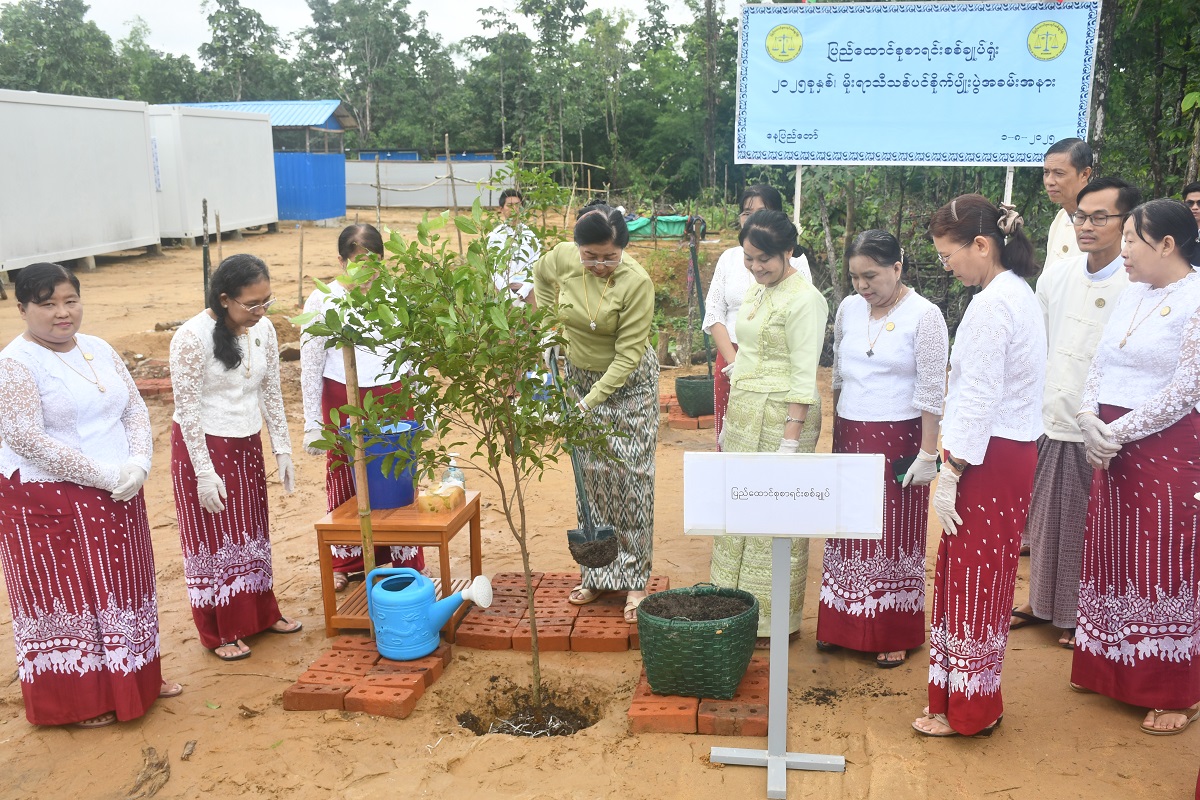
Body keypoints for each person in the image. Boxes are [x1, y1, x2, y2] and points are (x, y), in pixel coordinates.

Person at [0, 263, 181, 728]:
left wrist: (138, 463)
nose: (62, 313)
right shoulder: (15, 364)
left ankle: (138, 676)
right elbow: (24, 438)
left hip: (119, 487)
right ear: (21, 309)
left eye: (70, 301)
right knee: (75, 594)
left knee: (125, 584)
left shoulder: (98, 347)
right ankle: (83, 701)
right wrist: (105, 474)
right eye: (47, 304)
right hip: (49, 499)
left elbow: (134, 408)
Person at [913, 194, 1046, 737]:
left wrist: (952, 470)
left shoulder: (994, 304)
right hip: (1002, 450)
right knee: (976, 573)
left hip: (987, 454)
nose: (947, 266)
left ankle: (970, 707)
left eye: (948, 256)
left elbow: (979, 395)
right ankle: (965, 697)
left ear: (982, 245)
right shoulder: (1014, 293)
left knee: (973, 575)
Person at [1072, 198, 1200, 735]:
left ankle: (1174, 690)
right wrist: (1088, 417)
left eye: (1131, 239)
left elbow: (1187, 388)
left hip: (1166, 446)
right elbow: (1099, 361)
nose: (1121, 249)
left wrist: (1115, 432)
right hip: (1111, 443)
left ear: (1167, 245)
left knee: (1162, 559)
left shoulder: (1196, 297)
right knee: (1113, 550)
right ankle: (1108, 665)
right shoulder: (1132, 293)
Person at [1009, 178, 1139, 648]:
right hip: (1052, 413)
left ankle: (1079, 612)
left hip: (1104, 423)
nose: (1086, 225)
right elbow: (1038, 345)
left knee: (1090, 522)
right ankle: (1042, 602)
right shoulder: (1056, 276)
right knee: (1046, 519)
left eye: (1100, 217)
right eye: (1081, 216)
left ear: (1127, 223)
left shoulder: (1137, 283)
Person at [816, 230, 948, 668]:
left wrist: (928, 454)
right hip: (851, 432)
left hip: (900, 437)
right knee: (848, 527)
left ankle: (893, 629)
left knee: (892, 531)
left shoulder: (925, 316)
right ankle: (841, 623)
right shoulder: (849, 309)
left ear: (897, 267)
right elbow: (839, 374)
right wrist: (838, 431)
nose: (862, 286)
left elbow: (932, 390)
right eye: (855, 277)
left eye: (871, 276)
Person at [169, 254, 302, 662]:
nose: (261, 311)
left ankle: (261, 614)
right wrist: (203, 472)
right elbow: (188, 410)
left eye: (267, 301)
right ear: (225, 299)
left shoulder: (263, 329)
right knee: (215, 537)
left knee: (250, 530)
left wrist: (282, 447)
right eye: (252, 304)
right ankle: (220, 631)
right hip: (204, 445)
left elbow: (271, 390)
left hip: (246, 443)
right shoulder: (191, 338)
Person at [534, 203, 659, 624]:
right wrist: (551, 330)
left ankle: (635, 579)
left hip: (628, 387)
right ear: (577, 248)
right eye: (591, 256)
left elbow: (628, 356)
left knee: (632, 479)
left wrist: (590, 401)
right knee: (591, 477)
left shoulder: (636, 282)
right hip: (580, 378)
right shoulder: (563, 258)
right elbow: (541, 277)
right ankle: (598, 573)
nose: (600, 265)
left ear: (623, 248)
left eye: (610, 256)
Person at [709, 210, 827, 647]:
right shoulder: (759, 290)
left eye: (765, 259)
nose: (756, 267)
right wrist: (733, 412)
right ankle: (732, 608)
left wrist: (790, 440)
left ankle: (773, 623)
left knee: (774, 519)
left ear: (788, 251)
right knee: (738, 512)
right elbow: (749, 350)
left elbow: (804, 373)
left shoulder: (805, 299)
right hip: (746, 412)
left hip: (783, 418)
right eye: (749, 258)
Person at [300, 224, 423, 592]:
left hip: (393, 395)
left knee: (396, 469)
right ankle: (346, 560)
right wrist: (312, 422)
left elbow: (411, 352)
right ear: (341, 262)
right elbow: (310, 365)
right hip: (342, 395)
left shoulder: (396, 295)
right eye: (358, 265)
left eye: (375, 265)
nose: (367, 274)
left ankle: (403, 555)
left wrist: (424, 399)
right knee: (344, 470)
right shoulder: (322, 300)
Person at [702, 185, 812, 449]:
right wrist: (734, 360)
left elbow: (802, 323)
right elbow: (714, 310)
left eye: (761, 211)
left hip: (775, 362)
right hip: (730, 354)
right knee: (732, 436)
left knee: (769, 439)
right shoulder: (729, 258)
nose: (752, 218)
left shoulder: (796, 262)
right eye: (746, 212)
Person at [1028, 137, 1093, 555]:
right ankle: (1037, 533)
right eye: (1046, 173)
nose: (1050, 181)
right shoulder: (1058, 221)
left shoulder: (1103, 227)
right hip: (1053, 349)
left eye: (1059, 173)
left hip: (1085, 353)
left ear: (1085, 174)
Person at [487, 188, 540, 307]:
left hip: (527, 288)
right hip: (502, 289)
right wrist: (507, 295)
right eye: (509, 205)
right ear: (501, 209)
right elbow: (493, 269)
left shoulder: (530, 235)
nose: (514, 208)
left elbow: (535, 265)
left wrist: (523, 291)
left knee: (533, 317)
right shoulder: (495, 236)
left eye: (517, 205)